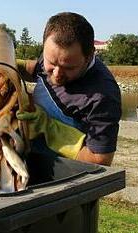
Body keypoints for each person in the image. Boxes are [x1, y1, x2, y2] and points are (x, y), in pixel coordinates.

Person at [16, 12, 121, 166]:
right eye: (51, 63)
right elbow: (35, 70)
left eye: (69, 67)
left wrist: (49, 129)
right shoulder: (56, 52)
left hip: (61, 174)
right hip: (26, 156)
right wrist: (9, 64)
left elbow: (100, 160)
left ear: (90, 55)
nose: (57, 74)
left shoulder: (103, 96)